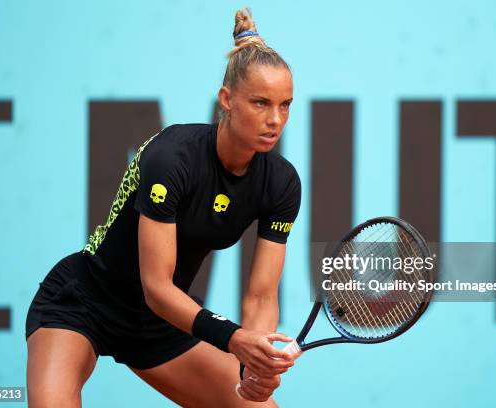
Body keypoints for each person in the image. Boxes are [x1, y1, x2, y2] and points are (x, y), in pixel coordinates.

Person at [25, 7, 301, 407]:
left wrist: (252, 368)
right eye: (260, 103)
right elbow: (156, 287)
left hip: (161, 325)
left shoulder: (281, 182)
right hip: (84, 302)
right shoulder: (172, 156)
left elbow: (260, 298)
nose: (275, 119)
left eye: (285, 105)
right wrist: (233, 339)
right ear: (226, 100)